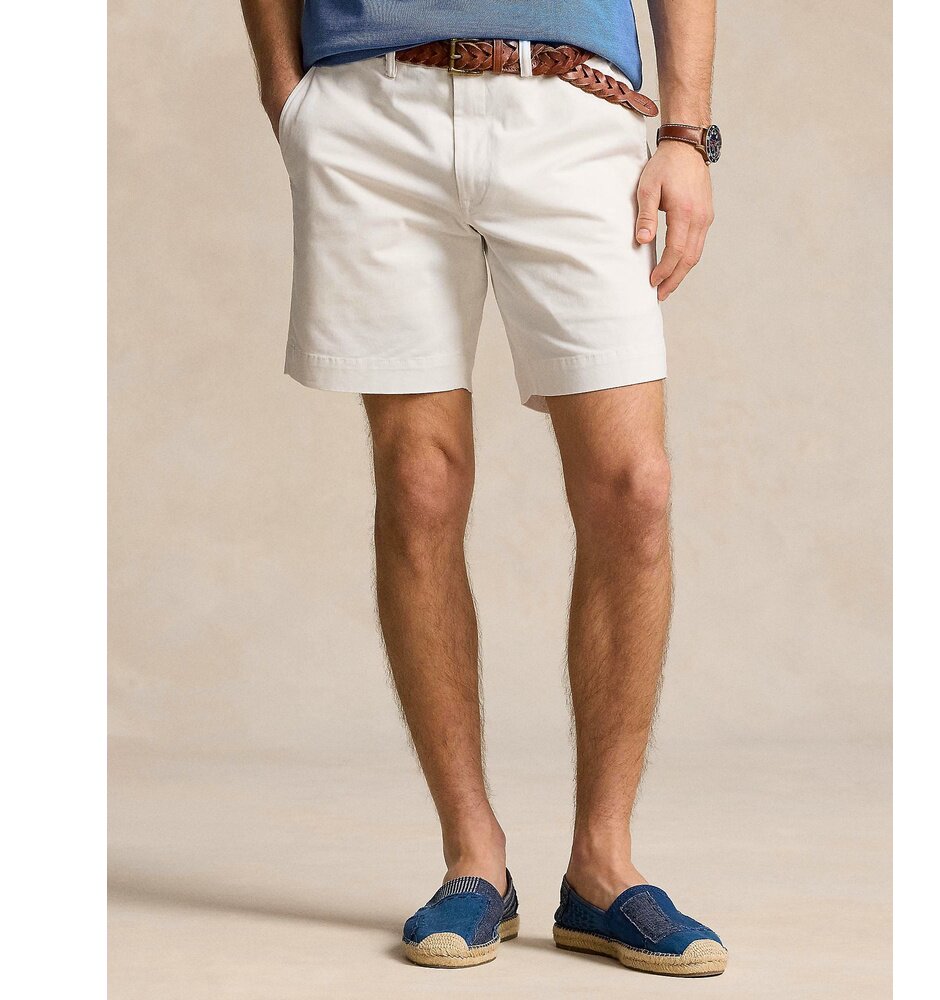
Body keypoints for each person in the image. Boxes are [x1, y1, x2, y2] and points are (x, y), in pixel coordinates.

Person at [239, 0, 726, 976]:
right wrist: (287, 97)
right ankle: (473, 858)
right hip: (372, 111)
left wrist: (685, 132)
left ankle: (603, 867)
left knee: (633, 486)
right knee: (420, 482)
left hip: (574, 105)